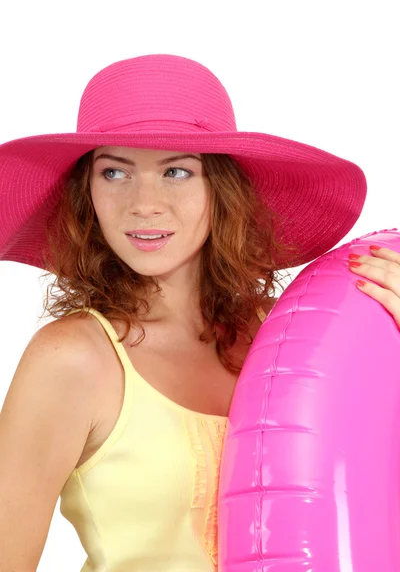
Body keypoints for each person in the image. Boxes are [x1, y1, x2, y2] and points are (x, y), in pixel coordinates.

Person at [2, 53, 396, 572]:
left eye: (178, 171)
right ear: (86, 193)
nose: (144, 203)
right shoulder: (71, 360)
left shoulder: (292, 339)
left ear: (222, 189)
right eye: (115, 171)